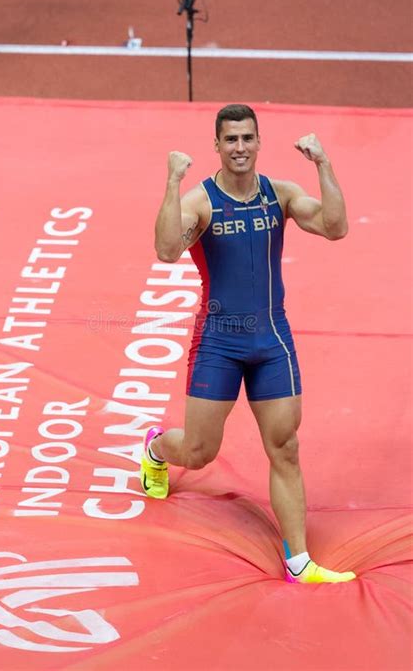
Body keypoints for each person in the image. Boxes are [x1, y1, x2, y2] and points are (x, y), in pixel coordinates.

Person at [140, 104, 356, 584]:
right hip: (219, 341)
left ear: (259, 143)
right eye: (230, 140)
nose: (239, 147)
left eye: (247, 138)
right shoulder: (202, 201)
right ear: (216, 146)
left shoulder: (279, 196)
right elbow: (166, 249)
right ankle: (155, 449)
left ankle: (298, 561)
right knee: (198, 452)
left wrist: (324, 164)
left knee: (285, 446)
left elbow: (335, 227)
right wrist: (173, 183)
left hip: (272, 338)